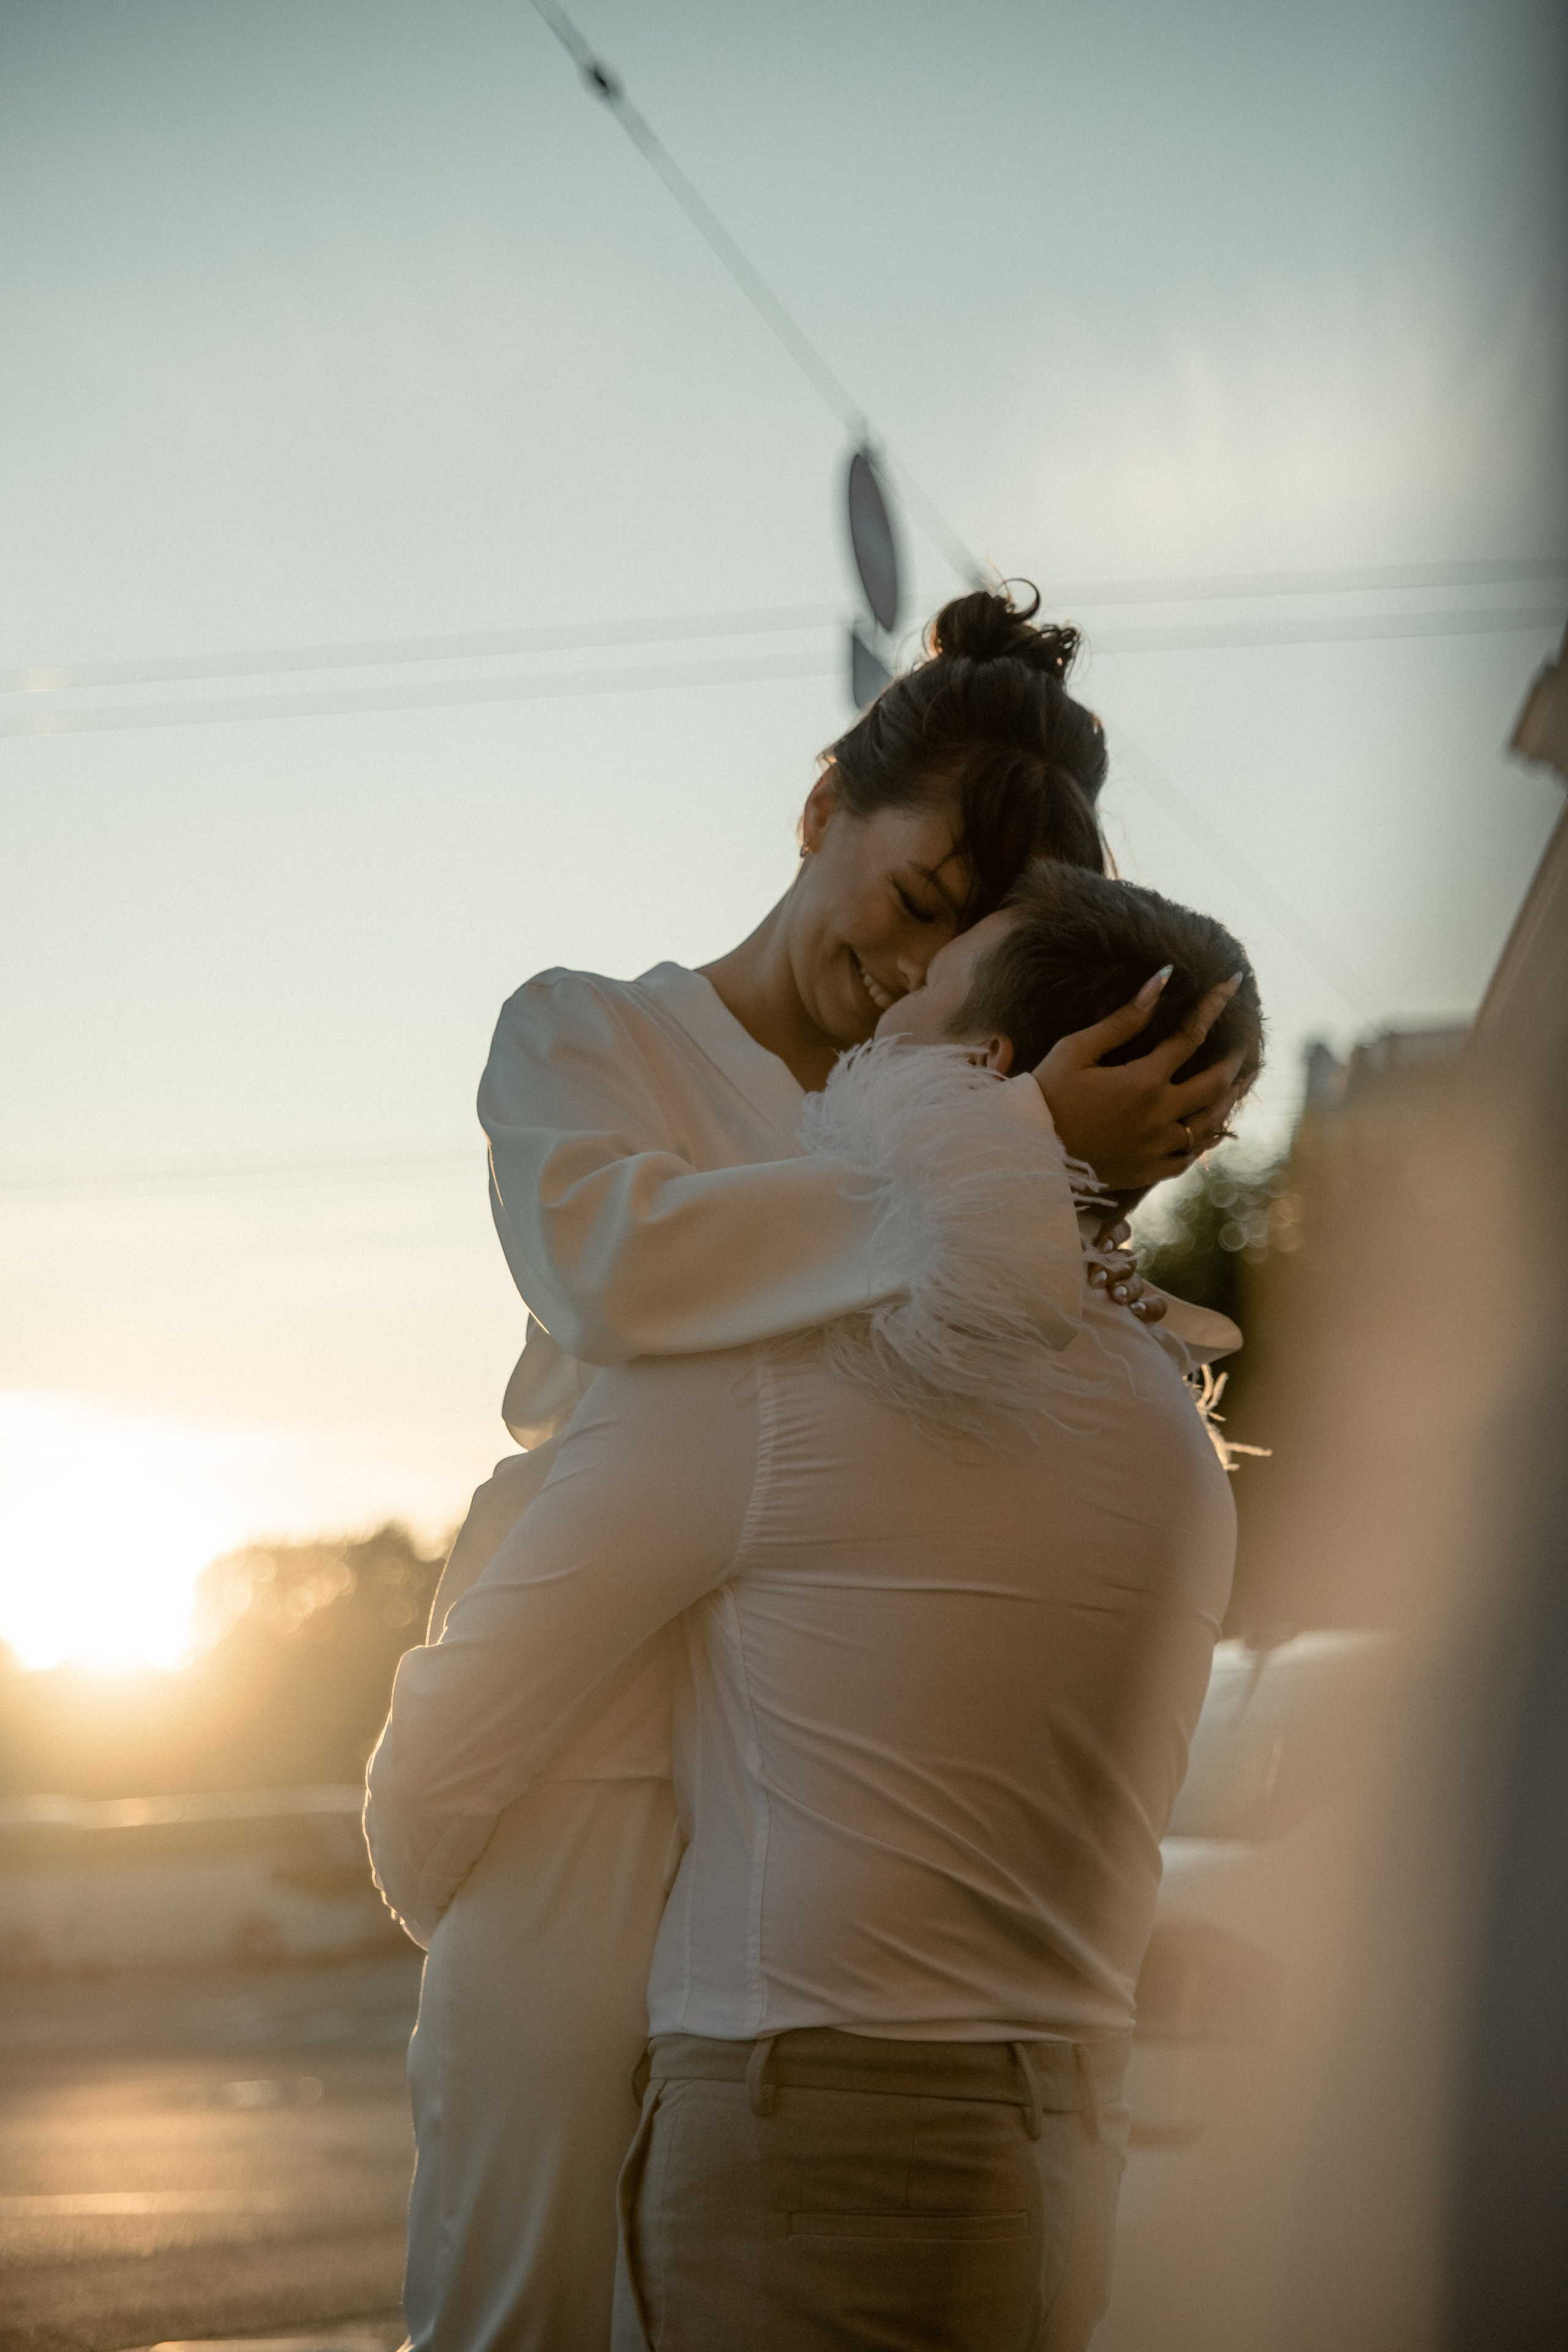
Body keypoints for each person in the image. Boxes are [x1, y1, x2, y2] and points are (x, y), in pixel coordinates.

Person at [383, 587, 1251, 2352]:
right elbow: (613, 1267)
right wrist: (1003, 1157)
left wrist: (1030, 1172)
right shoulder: (591, 1037)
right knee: (523, 2297)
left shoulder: (932, 1084)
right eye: (915, 896)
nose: (907, 960)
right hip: (595, 1750)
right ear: (819, 818)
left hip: (833, 1790)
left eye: (962, 943)